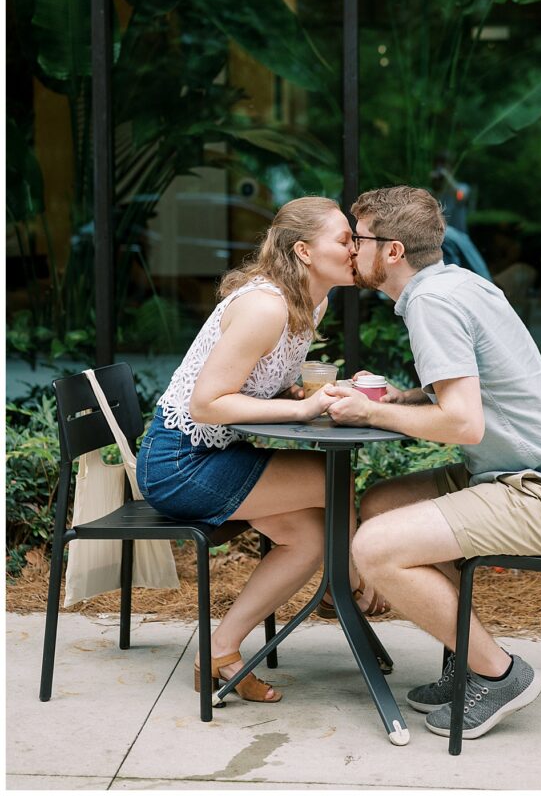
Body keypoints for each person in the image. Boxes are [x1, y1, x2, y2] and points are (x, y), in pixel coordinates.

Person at [324, 186, 541, 740]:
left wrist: (371, 414)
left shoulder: (432, 303)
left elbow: (463, 423)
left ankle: (499, 673)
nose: (349, 248)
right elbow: (469, 396)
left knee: (373, 546)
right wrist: (403, 398)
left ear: (392, 251)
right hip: (519, 473)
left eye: (357, 238)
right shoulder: (456, 282)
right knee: (381, 501)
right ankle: (463, 660)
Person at [136, 196, 382, 704]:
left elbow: (254, 385)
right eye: (345, 239)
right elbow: (207, 404)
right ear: (304, 251)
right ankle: (354, 586)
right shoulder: (265, 306)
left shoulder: (312, 302)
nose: (357, 249)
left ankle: (220, 650)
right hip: (179, 461)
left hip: (215, 453)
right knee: (326, 480)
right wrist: (301, 410)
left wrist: (298, 393)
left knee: (313, 535)